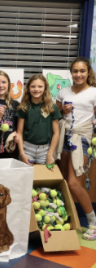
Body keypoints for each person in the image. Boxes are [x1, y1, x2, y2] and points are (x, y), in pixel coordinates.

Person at [55, 57, 96, 240]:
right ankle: (68, 219)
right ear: (71, 73)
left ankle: (93, 222)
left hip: (82, 138)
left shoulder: (94, 93)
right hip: (64, 137)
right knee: (64, 182)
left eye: (82, 71)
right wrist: (63, 112)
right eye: (75, 71)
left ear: (88, 73)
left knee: (74, 183)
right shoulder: (63, 92)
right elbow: (56, 115)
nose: (78, 74)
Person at [16, 74, 61, 166]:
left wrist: (50, 154)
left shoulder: (52, 107)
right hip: (27, 148)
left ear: (45, 89)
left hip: (45, 150)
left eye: (40, 86)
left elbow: (56, 133)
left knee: (42, 179)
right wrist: (22, 153)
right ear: (28, 88)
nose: (36, 89)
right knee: (26, 178)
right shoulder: (23, 107)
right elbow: (19, 133)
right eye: (33, 86)